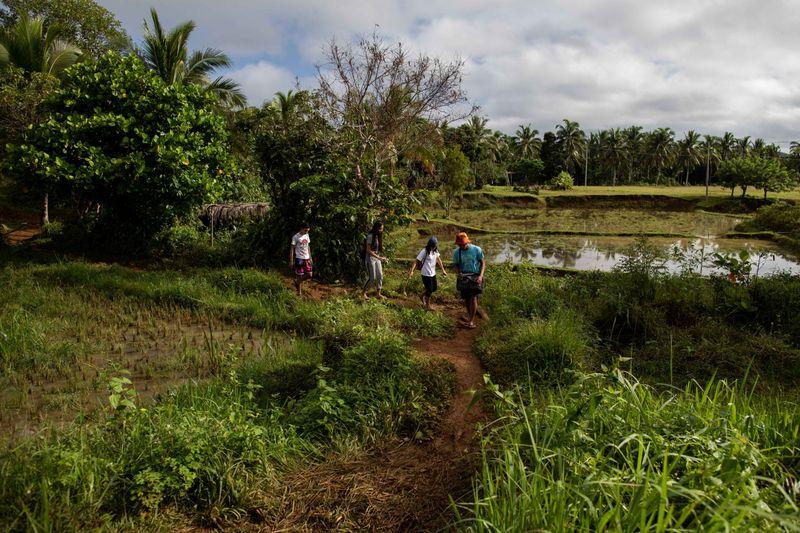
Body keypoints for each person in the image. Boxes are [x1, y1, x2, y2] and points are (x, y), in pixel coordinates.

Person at [452, 232, 485, 329]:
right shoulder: (456, 252)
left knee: (474, 297)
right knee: (466, 299)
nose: (462, 246)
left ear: (467, 242)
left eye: (463, 244)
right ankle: (470, 316)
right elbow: (455, 265)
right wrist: (458, 273)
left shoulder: (476, 249)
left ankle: (471, 321)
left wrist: (480, 276)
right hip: (464, 277)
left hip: (475, 276)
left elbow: (483, 263)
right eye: (460, 245)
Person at [408, 236, 448, 310]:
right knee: (429, 290)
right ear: (429, 245)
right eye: (432, 246)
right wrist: (412, 271)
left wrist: (443, 270)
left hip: (433, 273)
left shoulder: (435, 251)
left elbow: (438, 260)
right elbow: (416, 261)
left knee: (434, 288)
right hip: (425, 273)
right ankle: (427, 306)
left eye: (434, 246)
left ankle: (421, 295)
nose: (433, 247)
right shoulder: (424, 251)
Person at [362, 221, 388, 299]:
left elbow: (377, 250)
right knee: (372, 277)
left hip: (377, 258)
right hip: (370, 258)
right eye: (380, 229)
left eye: (382, 229)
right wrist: (379, 257)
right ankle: (363, 293)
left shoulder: (378, 236)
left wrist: (382, 257)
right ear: (376, 228)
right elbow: (368, 250)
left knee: (380, 275)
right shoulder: (370, 236)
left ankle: (378, 293)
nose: (381, 230)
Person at [289, 223, 312, 295]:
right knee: (299, 275)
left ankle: (297, 282)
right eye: (305, 230)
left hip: (307, 258)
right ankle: (299, 292)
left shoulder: (307, 235)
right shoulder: (295, 237)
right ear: (301, 229)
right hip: (299, 258)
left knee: (309, 275)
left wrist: (310, 257)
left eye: (308, 231)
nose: (306, 232)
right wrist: (291, 261)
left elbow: (308, 247)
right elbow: (292, 249)